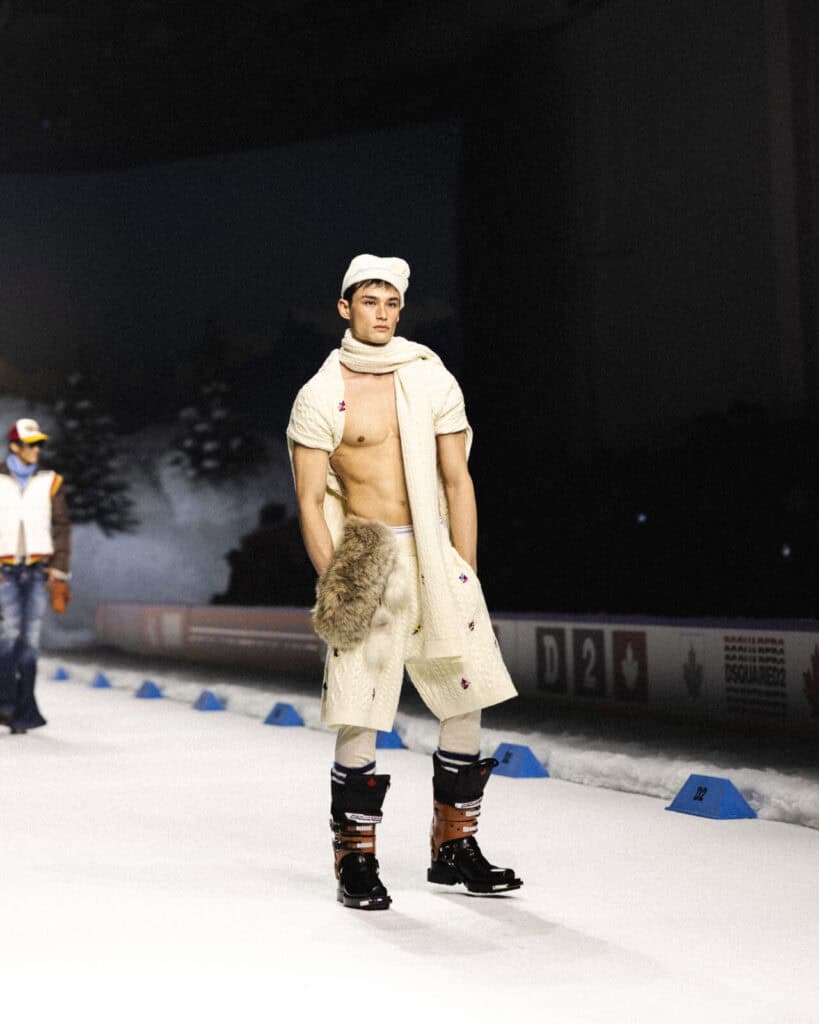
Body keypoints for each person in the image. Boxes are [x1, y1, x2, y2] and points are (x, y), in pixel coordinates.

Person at [288, 254, 522, 910]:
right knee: (359, 709)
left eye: (392, 302)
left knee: (464, 696)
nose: (383, 313)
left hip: (434, 550)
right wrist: (336, 583)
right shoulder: (320, 394)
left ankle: (454, 847)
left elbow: (457, 479)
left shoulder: (429, 376)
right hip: (368, 558)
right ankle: (355, 861)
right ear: (345, 308)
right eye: (370, 301)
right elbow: (310, 501)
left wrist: (463, 566)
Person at [0, 418, 71, 734]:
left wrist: (59, 571)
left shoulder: (50, 481)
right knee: (8, 637)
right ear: (15, 446)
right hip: (4, 571)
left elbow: (62, 527)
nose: (37, 450)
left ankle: (23, 711)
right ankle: (7, 704)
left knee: (29, 641)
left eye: (39, 444)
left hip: (38, 570)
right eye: (31, 444)